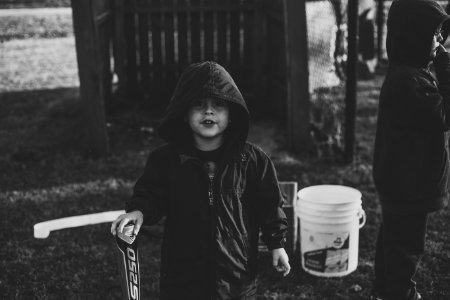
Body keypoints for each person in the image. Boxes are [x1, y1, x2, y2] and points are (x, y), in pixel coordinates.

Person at [111, 61, 290, 300]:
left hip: (236, 275)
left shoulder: (253, 161)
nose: (209, 111)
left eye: (218, 105)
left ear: (232, 114)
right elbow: (151, 194)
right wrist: (139, 211)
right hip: (182, 275)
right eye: (198, 104)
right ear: (183, 113)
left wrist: (276, 243)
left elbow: (269, 205)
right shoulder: (165, 160)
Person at [372, 0, 450, 299]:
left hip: (402, 181)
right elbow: (446, 113)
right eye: (433, 34)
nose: (440, 40)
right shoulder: (410, 83)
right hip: (410, 185)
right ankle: (400, 292)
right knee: (405, 246)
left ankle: (384, 290)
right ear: (414, 37)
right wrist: (445, 66)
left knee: (392, 239)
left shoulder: (408, 74)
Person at [358, 0, 378, 79]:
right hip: (365, 21)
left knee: (367, 49)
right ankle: (370, 70)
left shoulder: (370, 5)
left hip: (366, 21)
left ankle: (370, 70)